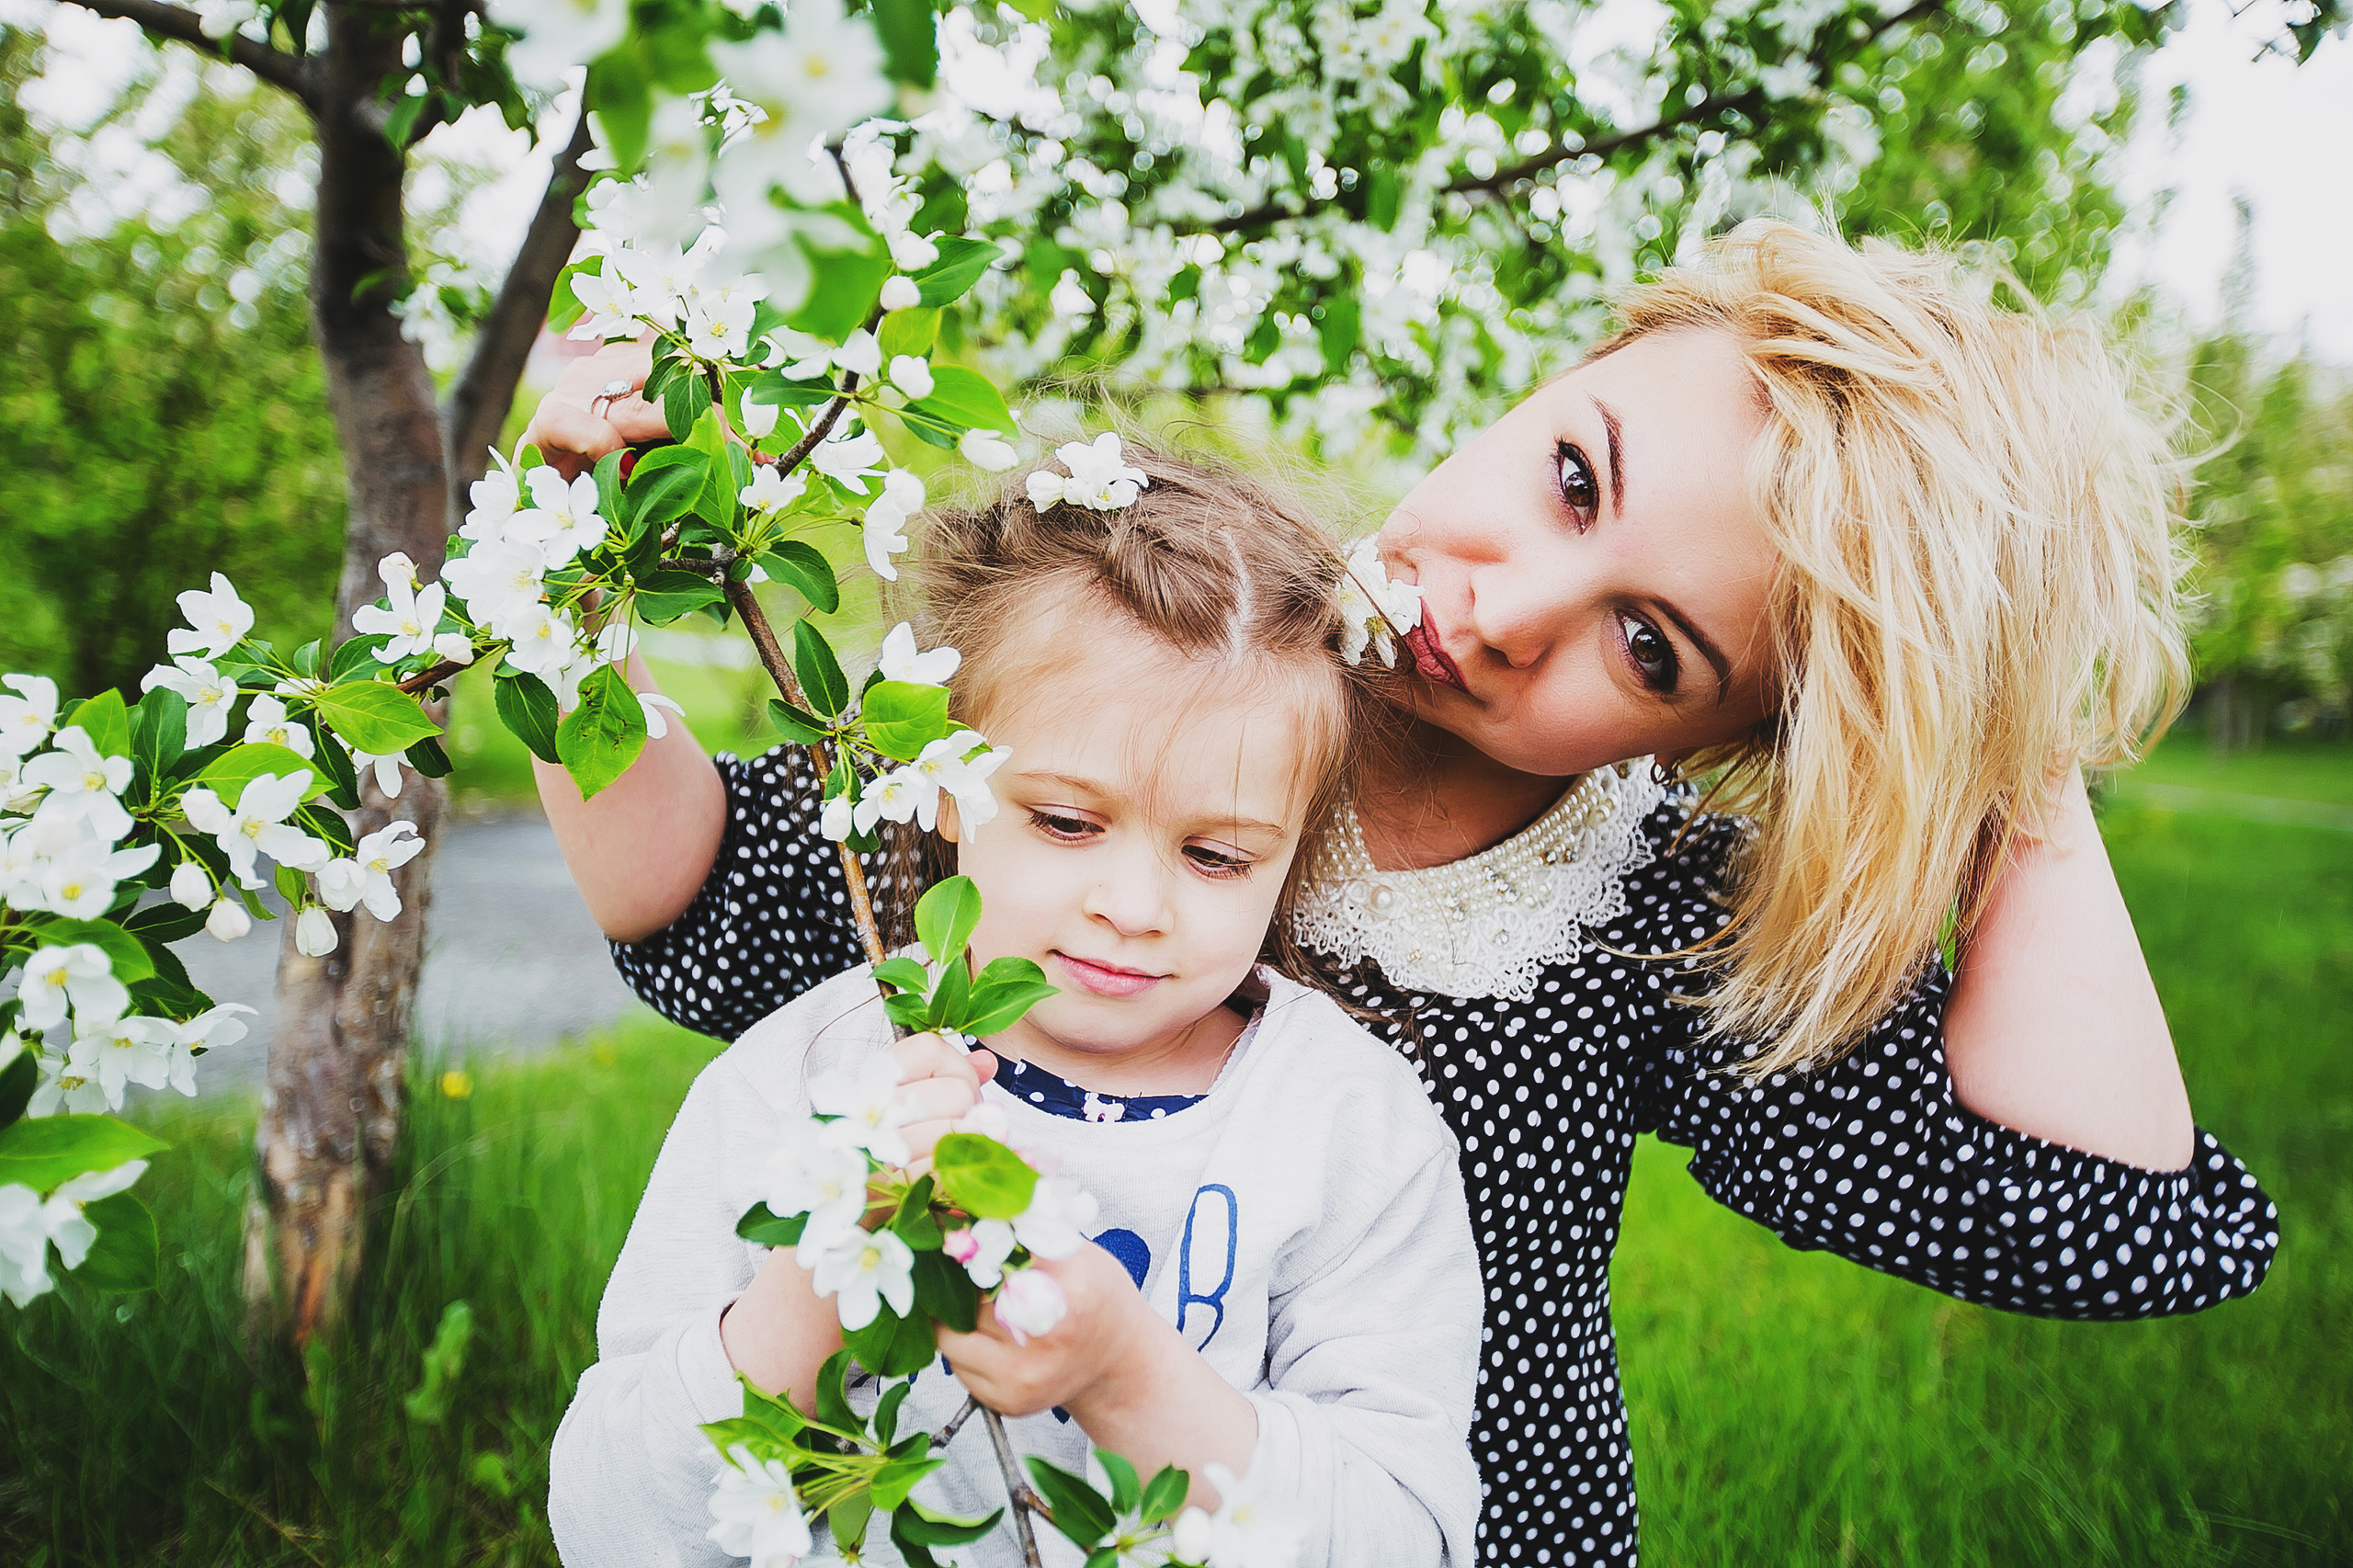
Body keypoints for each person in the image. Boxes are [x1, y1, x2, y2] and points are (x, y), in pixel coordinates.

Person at [529, 222, 2279, 1566]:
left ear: (1749, 730)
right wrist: (578, 569)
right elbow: (700, 899)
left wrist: (2011, 747)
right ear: (1564, 372)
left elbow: (2102, 1213)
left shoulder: (1643, 914)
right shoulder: (1166, 678)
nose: (1520, 606)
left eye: (1654, 645)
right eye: (1574, 476)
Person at [549, 458, 1484, 1566]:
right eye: (1066, 821)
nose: (1134, 907)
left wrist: (1125, 1376)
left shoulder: (1343, 1122)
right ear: (944, 779)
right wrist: (815, 1281)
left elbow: (1405, 1538)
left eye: (1216, 853)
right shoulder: (816, 1075)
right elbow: (611, 1525)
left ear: (1293, 852)